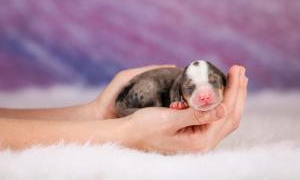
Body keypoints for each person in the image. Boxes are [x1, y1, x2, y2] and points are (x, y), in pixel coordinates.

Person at [0, 64, 248, 154]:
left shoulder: (185, 81)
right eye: (192, 88)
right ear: (181, 89)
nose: (204, 93)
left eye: (213, 83)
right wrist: (126, 133)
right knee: (149, 90)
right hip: (142, 94)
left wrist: (98, 113)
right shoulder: (175, 87)